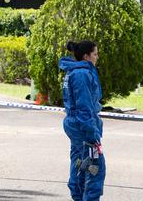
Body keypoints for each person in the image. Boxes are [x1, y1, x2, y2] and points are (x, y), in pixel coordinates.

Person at [60, 40, 106, 201]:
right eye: (95, 54)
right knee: (95, 168)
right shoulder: (81, 74)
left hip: (75, 126)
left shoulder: (75, 71)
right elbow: (84, 106)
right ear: (86, 56)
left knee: (79, 163)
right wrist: (92, 133)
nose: (97, 57)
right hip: (83, 127)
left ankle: (78, 196)